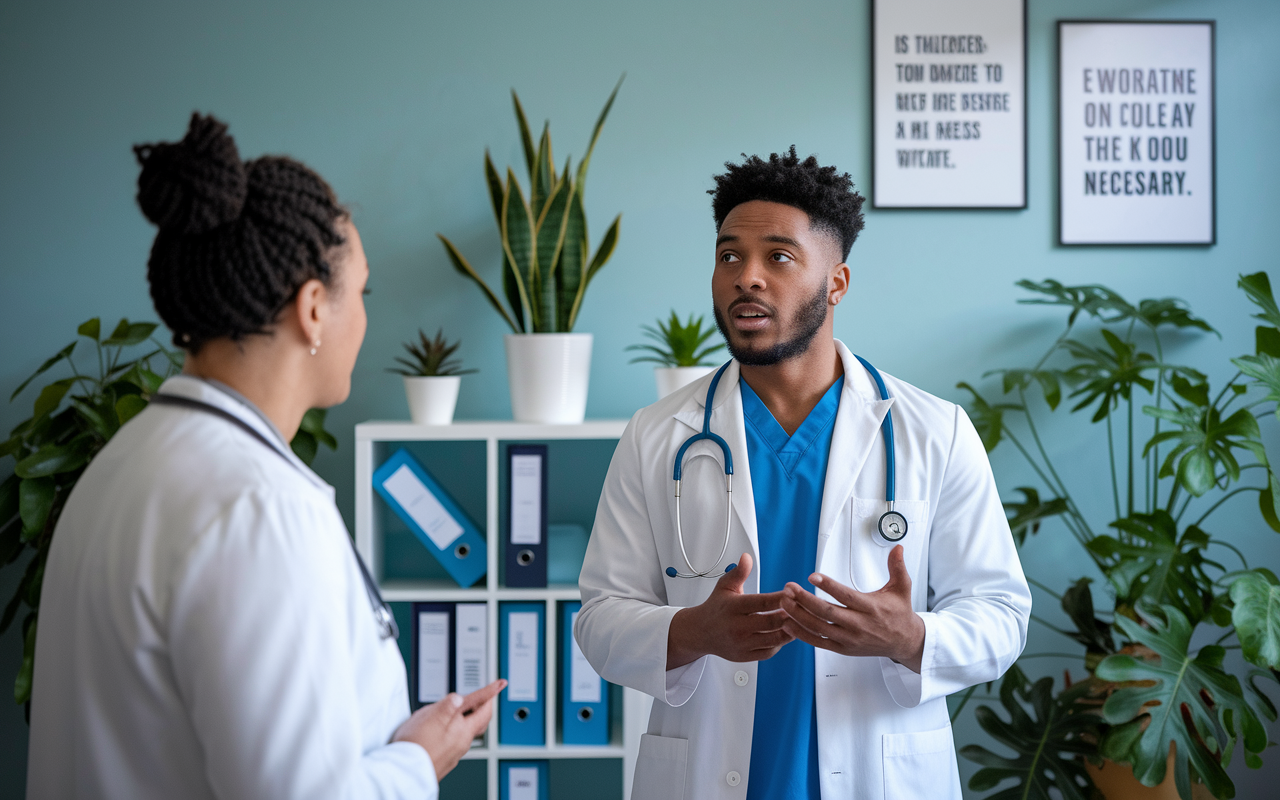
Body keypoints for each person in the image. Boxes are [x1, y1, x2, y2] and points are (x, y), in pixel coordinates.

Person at [26, 113, 503, 799]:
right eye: (360, 292)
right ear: (313, 309)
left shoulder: (120, 464)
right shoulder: (262, 509)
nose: (364, 317)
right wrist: (416, 763)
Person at [575, 147, 1031, 799]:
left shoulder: (934, 432)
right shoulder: (659, 435)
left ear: (836, 283)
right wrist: (692, 631)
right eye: (728, 256)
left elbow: (1002, 614)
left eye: (778, 258)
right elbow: (599, 620)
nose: (746, 278)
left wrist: (910, 635)